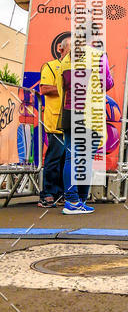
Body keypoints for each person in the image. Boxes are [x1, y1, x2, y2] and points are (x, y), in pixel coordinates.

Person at [58, 33, 114, 215]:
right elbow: (108, 83)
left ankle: (75, 200)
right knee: (86, 159)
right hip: (89, 114)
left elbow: (62, 86)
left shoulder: (66, 58)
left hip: (68, 111)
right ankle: (76, 200)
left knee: (71, 157)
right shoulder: (98, 55)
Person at [38, 35, 70, 207]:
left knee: (66, 159)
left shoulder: (77, 69)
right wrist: (67, 88)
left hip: (71, 122)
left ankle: (61, 193)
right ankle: (48, 193)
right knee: (54, 158)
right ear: (61, 48)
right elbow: (44, 88)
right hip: (55, 120)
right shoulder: (50, 66)